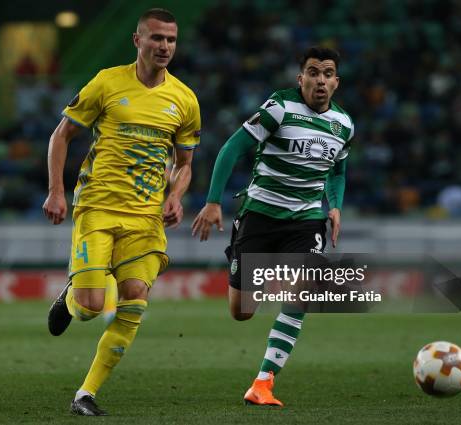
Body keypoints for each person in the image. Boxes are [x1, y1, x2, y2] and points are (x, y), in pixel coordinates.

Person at [42, 8, 200, 416]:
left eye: (171, 40)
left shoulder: (184, 99)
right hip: (97, 208)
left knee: (134, 301)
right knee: (92, 307)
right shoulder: (107, 82)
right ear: (137, 41)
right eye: (157, 38)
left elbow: (185, 164)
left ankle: (85, 394)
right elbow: (62, 135)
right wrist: (56, 191)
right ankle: (71, 298)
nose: (164, 46)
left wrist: (176, 196)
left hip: (146, 219)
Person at [192, 47, 354, 407]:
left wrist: (336, 206)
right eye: (313, 72)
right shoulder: (279, 107)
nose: (321, 80)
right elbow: (232, 148)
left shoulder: (344, 124)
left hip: (307, 219)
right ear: (301, 79)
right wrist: (214, 201)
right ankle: (247, 261)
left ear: (336, 82)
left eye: (328, 74)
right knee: (241, 312)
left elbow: (338, 170)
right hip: (260, 215)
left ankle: (263, 383)